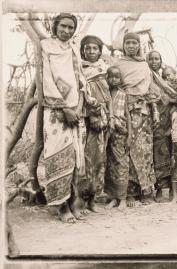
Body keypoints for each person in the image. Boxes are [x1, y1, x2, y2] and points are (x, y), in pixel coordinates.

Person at [41, 13, 88, 222]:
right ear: (55, 26)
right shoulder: (45, 46)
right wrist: (63, 108)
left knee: (75, 157)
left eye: (71, 27)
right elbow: (47, 79)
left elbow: (79, 78)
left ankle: (72, 202)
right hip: (55, 112)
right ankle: (60, 207)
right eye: (64, 27)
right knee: (58, 153)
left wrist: (78, 107)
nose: (67, 31)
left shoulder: (73, 48)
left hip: (75, 109)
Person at [116, 32, 160, 206]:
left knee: (145, 150)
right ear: (123, 45)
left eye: (135, 43)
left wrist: (155, 111)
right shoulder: (118, 64)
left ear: (139, 45)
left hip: (143, 113)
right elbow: (115, 87)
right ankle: (131, 192)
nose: (132, 46)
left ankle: (147, 191)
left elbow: (150, 91)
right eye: (128, 43)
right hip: (124, 112)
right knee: (127, 150)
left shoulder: (144, 65)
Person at [80, 35, 114, 212]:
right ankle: (82, 199)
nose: (91, 51)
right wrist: (91, 113)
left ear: (100, 51)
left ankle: (93, 198)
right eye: (88, 48)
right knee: (86, 158)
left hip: (103, 118)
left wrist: (110, 116)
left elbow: (109, 95)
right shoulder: (79, 68)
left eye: (95, 48)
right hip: (85, 118)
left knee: (99, 158)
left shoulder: (105, 68)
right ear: (83, 50)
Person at [146, 50, 177, 202]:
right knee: (157, 153)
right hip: (155, 118)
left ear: (160, 60)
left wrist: (169, 100)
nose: (153, 61)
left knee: (172, 153)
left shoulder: (167, 78)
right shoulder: (147, 76)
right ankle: (158, 189)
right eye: (150, 59)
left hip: (170, 119)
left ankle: (172, 187)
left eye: (156, 59)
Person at [104, 66, 132, 210]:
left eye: (117, 77)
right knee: (109, 165)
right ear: (107, 78)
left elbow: (127, 115)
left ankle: (122, 198)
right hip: (106, 132)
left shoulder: (123, 94)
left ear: (121, 79)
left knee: (121, 165)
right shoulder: (104, 93)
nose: (114, 79)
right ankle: (112, 197)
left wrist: (129, 136)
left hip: (120, 133)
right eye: (111, 76)